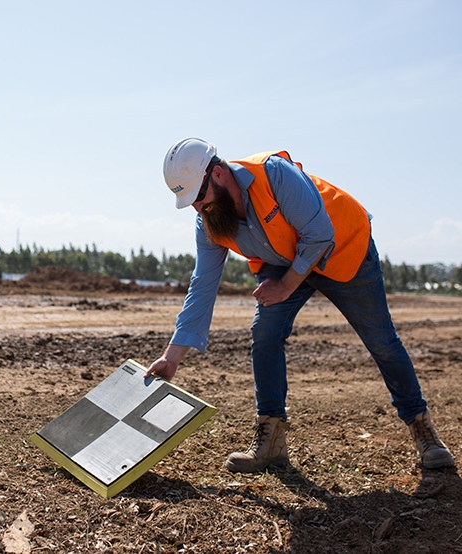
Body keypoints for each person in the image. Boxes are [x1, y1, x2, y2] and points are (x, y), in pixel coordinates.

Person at [145, 137, 455, 473]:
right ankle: (271, 441)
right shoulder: (209, 221)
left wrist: (286, 285)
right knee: (264, 334)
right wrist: (172, 356)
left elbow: (319, 234)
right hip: (283, 258)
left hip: (342, 246)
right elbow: (202, 285)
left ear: (217, 174)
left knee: (382, 341)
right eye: (189, 202)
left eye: (198, 197)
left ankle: (423, 429)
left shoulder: (273, 174)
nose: (197, 207)